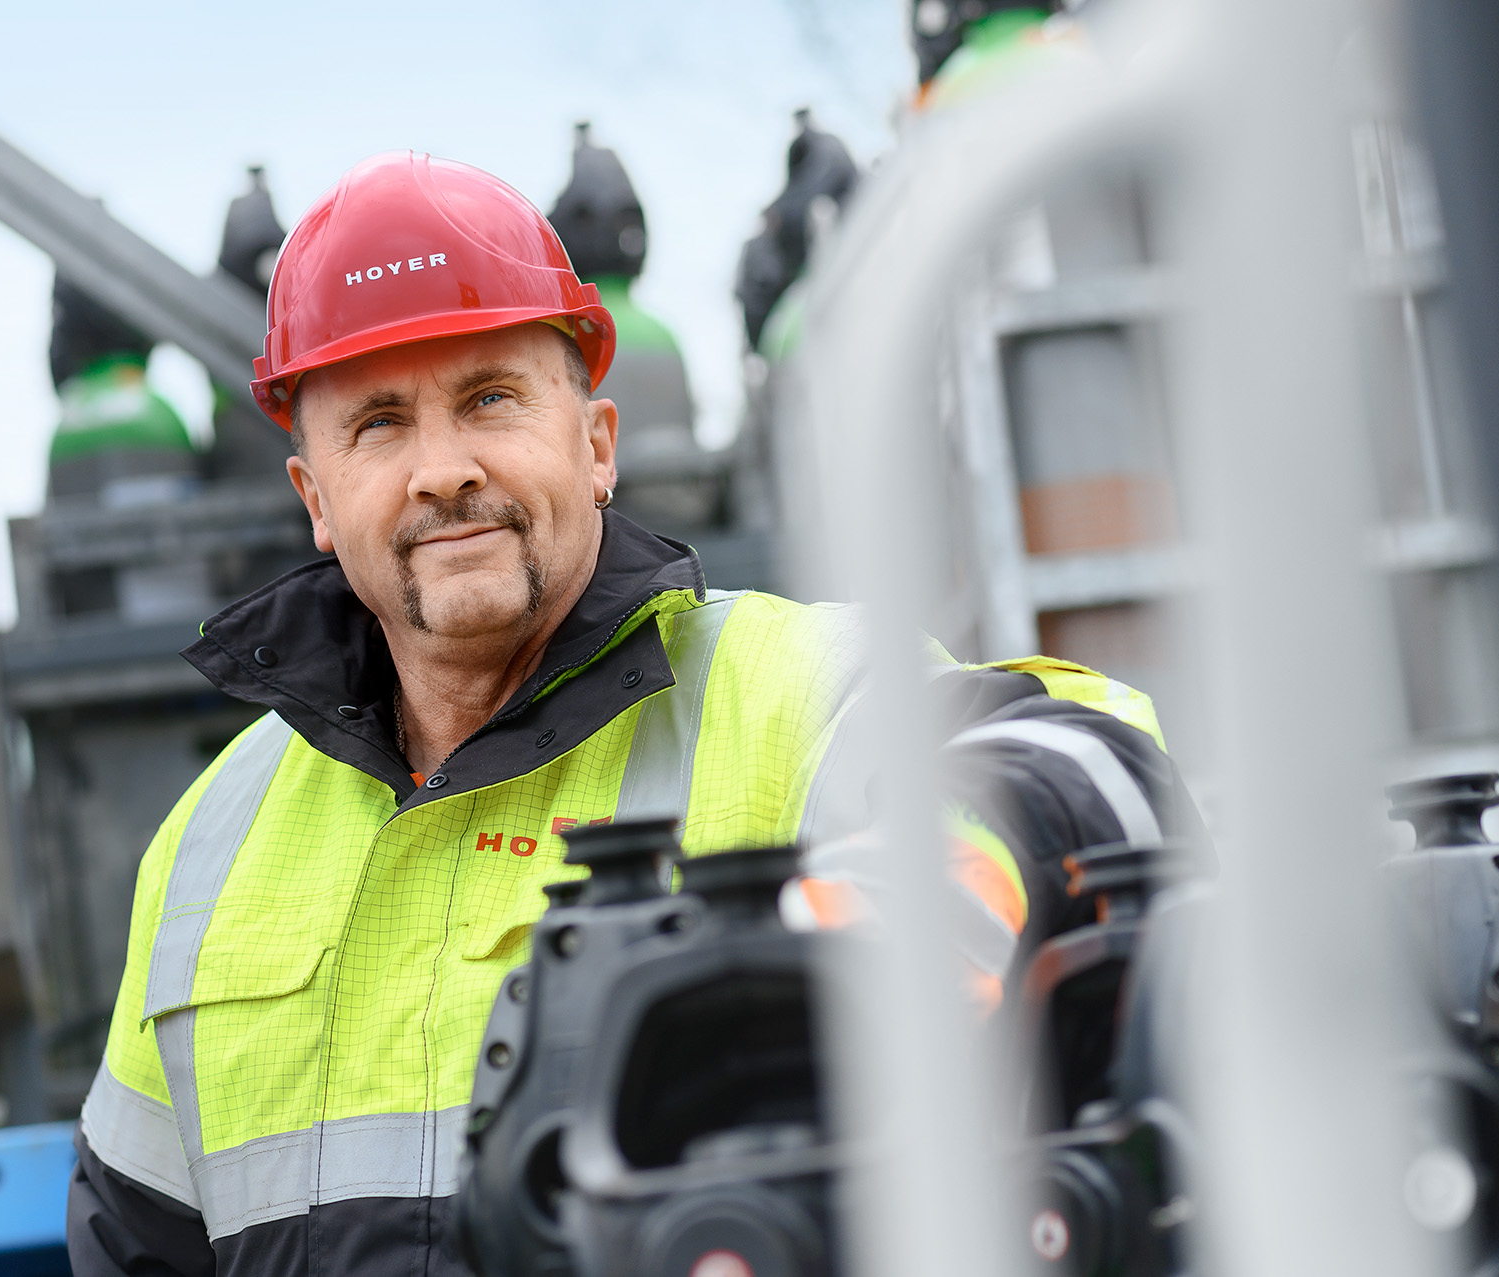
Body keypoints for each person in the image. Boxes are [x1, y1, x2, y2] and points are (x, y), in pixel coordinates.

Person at [66, 150, 1191, 1276]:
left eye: (491, 398)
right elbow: (134, 1246)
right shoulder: (209, 842)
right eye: (379, 424)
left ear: (595, 443)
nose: (444, 469)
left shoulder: (786, 684)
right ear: (315, 496)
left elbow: (1091, 751)